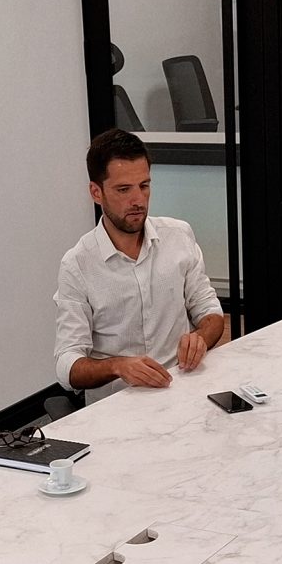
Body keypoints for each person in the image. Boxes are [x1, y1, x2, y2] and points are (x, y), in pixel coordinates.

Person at [53, 128, 225, 391]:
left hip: (180, 387)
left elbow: (210, 311)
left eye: (144, 186)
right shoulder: (77, 265)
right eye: (123, 189)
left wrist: (200, 337)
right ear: (96, 193)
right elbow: (67, 365)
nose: (138, 200)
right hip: (120, 403)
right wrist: (117, 366)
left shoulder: (178, 236)